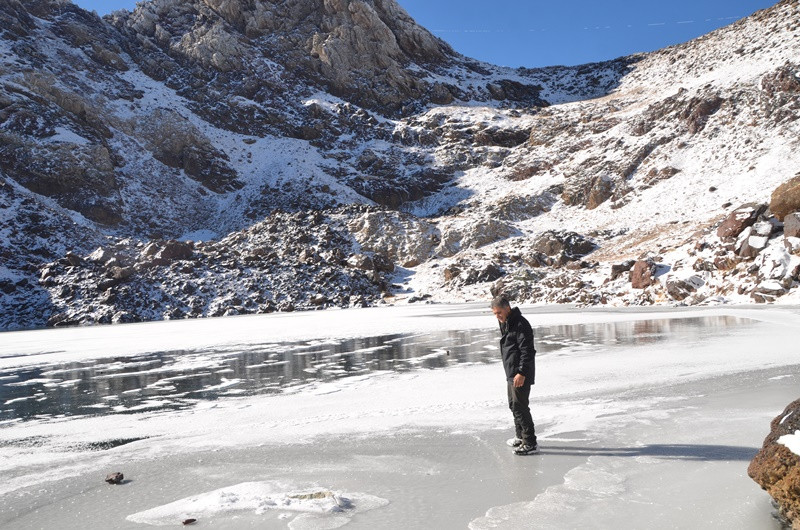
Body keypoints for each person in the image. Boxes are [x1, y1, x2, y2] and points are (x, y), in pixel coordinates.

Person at [491, 294, 538, 455]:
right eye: (495, 314)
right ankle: (520, 436)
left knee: (520, 406)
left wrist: (521, 373)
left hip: (520, 373)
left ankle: (530, 442)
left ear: (507, 309)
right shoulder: (507, 322)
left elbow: (528, 351)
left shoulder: (520, 324)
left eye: (499, 313)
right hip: (512, 372)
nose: (497, 316)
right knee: (513, 405)